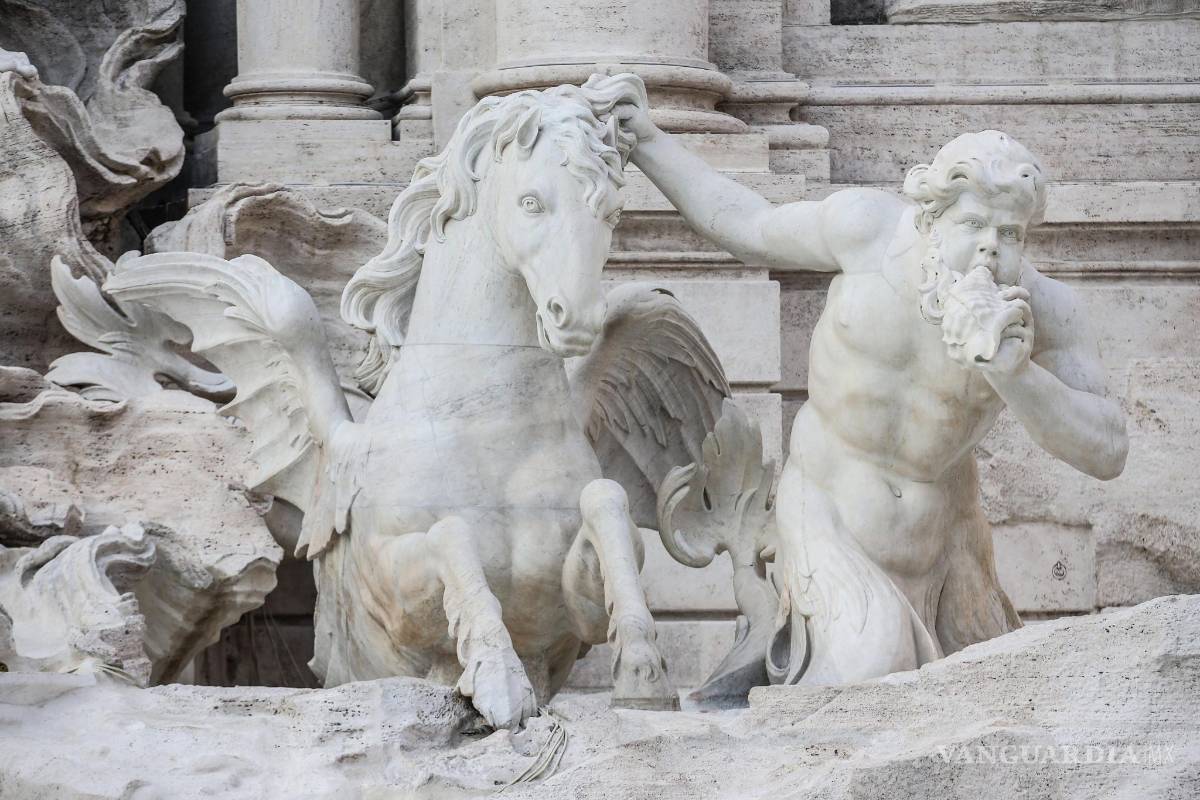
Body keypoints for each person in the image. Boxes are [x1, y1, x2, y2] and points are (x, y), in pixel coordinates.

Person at [616, 108, 1128, 683]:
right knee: (873, 668)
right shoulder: (866, 230)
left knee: (985, 692)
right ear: (933, 219)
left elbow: (1107, 450)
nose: (990, 250)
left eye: (1009, 234)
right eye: (973, 226)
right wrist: (647, 141)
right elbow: (746, 224)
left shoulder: (1047, 310)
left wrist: (1016, 376)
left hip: (946, 541)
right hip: (828, 514)